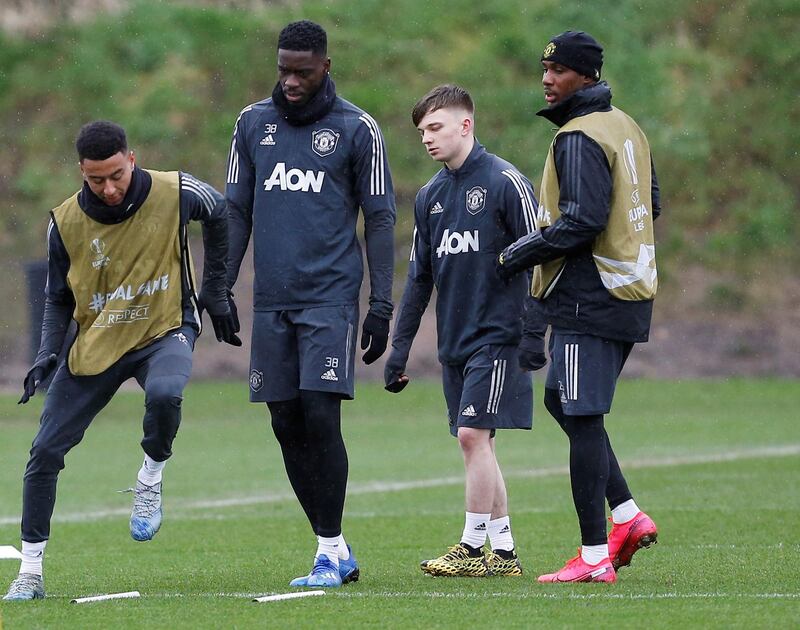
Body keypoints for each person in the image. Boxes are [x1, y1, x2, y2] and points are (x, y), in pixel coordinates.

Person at [3, 121, 239, 601]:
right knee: (45, 452)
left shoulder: (177, 190)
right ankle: (29, 572)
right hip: (98, 341)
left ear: (132, 159)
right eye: (96, 180)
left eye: (116, 175)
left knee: (166, 393)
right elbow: (56, 298)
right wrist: (48, 351)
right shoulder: (63, 223)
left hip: (164, 328)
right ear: (81, 173)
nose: (108, 188)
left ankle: (150, 476)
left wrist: (215, 290)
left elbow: (222, 214)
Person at [224, 20, 395, 588]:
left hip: (330, 298)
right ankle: (335, 547)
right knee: (284, 421)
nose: (291, 81)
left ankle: (326, 551)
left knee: (320, 414)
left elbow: (380, 218)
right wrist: (219, 286)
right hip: (272, 299)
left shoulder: (357, 129)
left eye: (302, 71)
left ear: (326, 66)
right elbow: (237, 212)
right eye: (283, 70)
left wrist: (381, 303)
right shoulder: (252, 124)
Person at [497, 31, 661, 583]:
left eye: (559, 70)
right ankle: (627, 516)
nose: (547, 78)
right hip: (630, 291)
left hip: (591, 297)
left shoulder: (579, 136)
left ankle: (594, 557)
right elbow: (650, 203)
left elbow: (582, 222)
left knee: (582, 414)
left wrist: (523, 250)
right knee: (563, 404)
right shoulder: (627, 126)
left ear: (585, 77)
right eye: (545, 68)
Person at [384, 84, 545, 577]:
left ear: (465, 126)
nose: (427, 139)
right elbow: (419, 279)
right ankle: (505, 553)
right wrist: (399, 349)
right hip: (455, 340)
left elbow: (542, 256)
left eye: (435, 127)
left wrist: (535, 331)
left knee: (472, 436)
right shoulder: (431, 196)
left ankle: (471, 548)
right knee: (480, 444)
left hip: (499, 336)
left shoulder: (504, 182)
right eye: (421, 132)